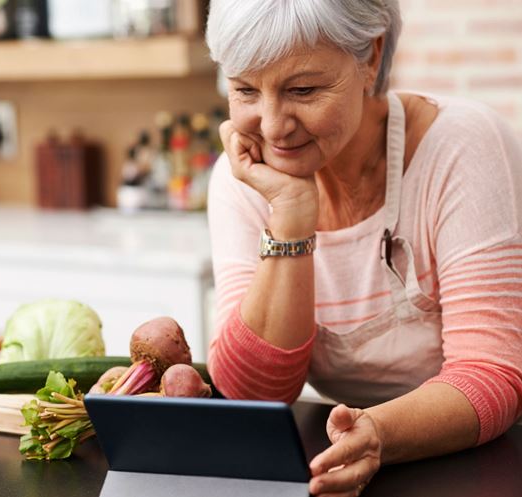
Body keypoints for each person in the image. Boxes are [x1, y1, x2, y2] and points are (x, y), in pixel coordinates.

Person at [204, 1, 522, 495]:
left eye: (303, 89)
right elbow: (254, 396)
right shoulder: (243, 178)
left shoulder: (462, 145)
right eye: (245, 89)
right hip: (348, 454)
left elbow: (492, 373)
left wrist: (379, 434)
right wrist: (290, 217)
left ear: (370, 58)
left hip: (486, 455)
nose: (270, 126)